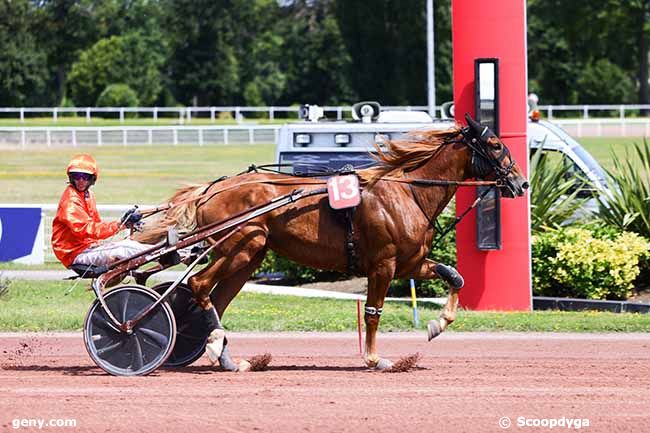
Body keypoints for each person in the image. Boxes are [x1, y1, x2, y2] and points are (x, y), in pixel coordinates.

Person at [52, 153, 150, 269]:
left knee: (129, 245)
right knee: (125, 248)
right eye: (77, 176)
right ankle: (164, 254)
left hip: (88, 248)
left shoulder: (88, 195)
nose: (81, 180)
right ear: (71, 177)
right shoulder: (71, 201)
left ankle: (163, 253)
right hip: (75, 254)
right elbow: (87, 230)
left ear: (92, 179)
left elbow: (97, 226)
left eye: (85, 177)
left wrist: (125, 224)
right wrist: (120, 224)